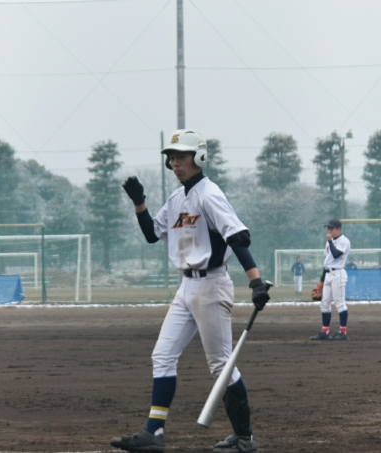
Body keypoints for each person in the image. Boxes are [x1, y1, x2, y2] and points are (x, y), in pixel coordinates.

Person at [112, 129, 270, 453]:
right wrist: (139, 202)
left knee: (221, 364)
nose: (175, 163)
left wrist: (255, 281)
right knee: (162, 355)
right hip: (186, 287)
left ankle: (245, 438)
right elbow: (152, 235)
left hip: (212, 286)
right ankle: (154, 432)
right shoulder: (176, 199)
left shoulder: (209, 194)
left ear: (198, 157)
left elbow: (237, 237)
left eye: (181, 156)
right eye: (171, 157)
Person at [310, 219, 351, 341]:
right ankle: (325, 332)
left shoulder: (344, 241)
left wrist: (329, 240)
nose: (329, 231)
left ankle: (343, 332)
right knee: (324, 303)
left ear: (339, 229)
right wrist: (322, 280)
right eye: (328, 228)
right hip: (328, 274)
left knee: (340, 303)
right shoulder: (330, 242)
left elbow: (336, 254)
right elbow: (327, 261)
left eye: (331, 228)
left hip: (338, 274)